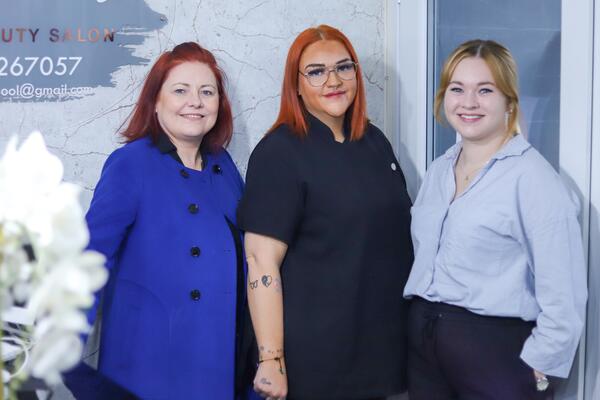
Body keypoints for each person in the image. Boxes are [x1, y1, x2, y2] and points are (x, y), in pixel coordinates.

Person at [404, 39, 587, 400]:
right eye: (457, 89)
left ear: (509, 101)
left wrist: (538, 372)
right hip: (426, 348)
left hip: (498, 356)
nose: (468, 102)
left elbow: (564, 294)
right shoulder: (439, 171)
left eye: (484, 90)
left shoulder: (533, 180)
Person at [237, 25, 413, 400]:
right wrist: (271, 359)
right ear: (296, 85)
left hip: (384, 354)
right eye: (316, 71)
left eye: (344, 67)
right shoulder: (279, 154)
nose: (333, 80)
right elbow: (260, 262)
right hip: (316, 363)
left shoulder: (374, 142)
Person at [82, 42, 252, 399]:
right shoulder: (131, 164)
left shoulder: (224, 169)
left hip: (222, 362)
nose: (196, 101)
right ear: (155, 101)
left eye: (207, 92)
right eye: (180, 90)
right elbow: (88, 262)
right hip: (148, 367)